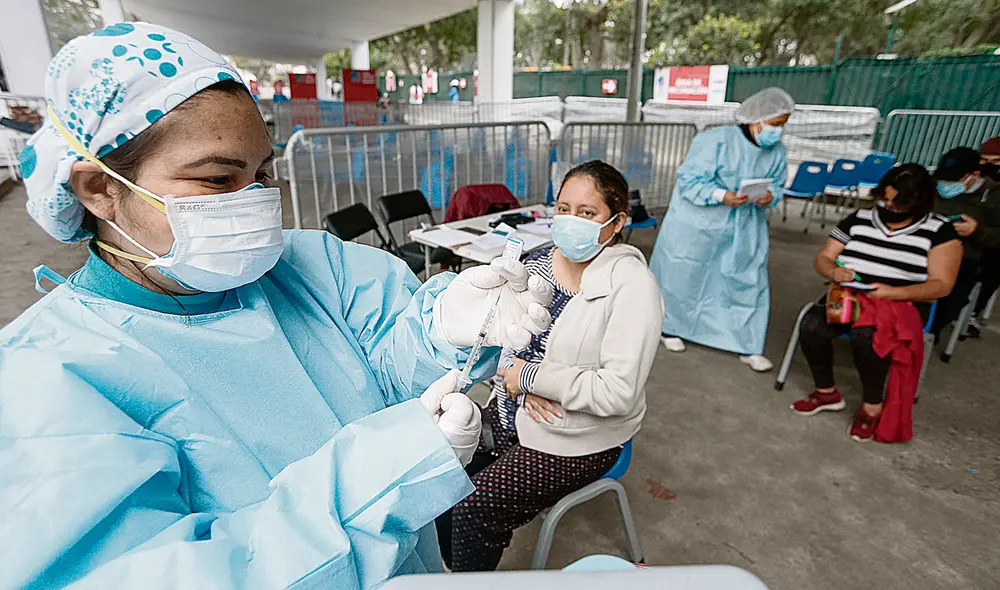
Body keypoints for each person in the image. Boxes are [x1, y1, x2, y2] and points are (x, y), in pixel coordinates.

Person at [0, 23, 553, 590]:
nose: (255, 201)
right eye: (218, 178)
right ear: (99, 188)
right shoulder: (46, 384)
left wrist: (439, 332)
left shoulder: (312, 264)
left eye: (262, 173)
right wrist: (387, 476)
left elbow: (386, 370)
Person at [439, 161, 663, 572]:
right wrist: (515, 379)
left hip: (576, 434)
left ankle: (464, 580)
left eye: (587, 212)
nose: (571, 220)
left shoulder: (632, 287)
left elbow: (617, 392)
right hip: (510, 408)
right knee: (440, 472)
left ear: (616, 223)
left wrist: (530, 378)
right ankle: (448, 569)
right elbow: (501, 341)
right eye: (563, 209)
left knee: (476, 507)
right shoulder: (537, 264)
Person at [790, 165, 962, 442]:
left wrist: (894, 293)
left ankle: (872, 406)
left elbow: (942, 285)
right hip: (850, 294)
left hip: (903, 302)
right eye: (885, 199)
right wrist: (833, 271)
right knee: (812, 326)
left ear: (919, 201)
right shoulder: (859, 218)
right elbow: (824, 257)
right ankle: (826, 392)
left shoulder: (940, 231)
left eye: (898, 202)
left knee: (868, 338)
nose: (889, 206)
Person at [649, 87, 793, 372]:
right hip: (698, 225)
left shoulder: (777, 151)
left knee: (746, 279)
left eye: (783, 125)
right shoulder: (715, 140)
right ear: (756, 120)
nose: (778, 131)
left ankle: (747, 343)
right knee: (685, 276)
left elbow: (777, 184)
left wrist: (770, 196)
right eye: (775, 124)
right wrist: (721, 195)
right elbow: (689, 180)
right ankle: (670, 327)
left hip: (745, 225)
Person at [929, 147, 1000, 339]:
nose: (946, 185)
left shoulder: (993, 196)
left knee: (950, 296)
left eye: (954, 180)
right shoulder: (931, 186)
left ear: (974, 175)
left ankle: (930, 333)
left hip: (964, 258)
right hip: (924, 249)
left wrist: (976, 231)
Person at [969, 136, 1000, 336]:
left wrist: (980, 232)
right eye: (984, 160)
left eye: (996, 161)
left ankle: (973, 311)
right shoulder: (970, 181)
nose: (989, 166)